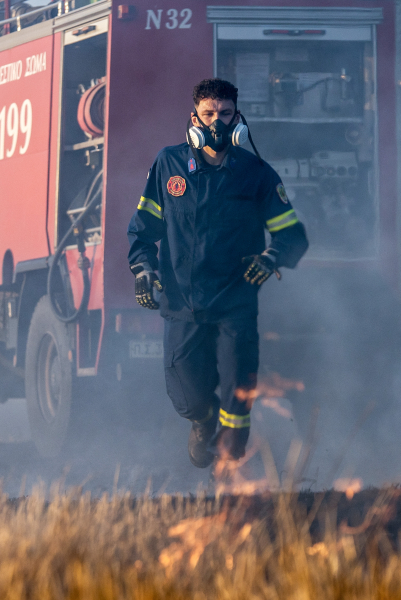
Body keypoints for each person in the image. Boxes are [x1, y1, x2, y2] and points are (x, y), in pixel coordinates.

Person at [127, 78, 309, 468]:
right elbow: (143, 231)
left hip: (235, 304)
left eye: (225, 113)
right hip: (182, 304)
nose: (217, 122)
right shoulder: (169, 165)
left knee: (237, 398)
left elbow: (292, 235)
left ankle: (229, 468)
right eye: (209, 113)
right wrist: (142, 268)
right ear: (194, 118)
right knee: (189, 399)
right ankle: (202, 421)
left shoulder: (256, 173)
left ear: (237, 119)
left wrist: (271, 257)